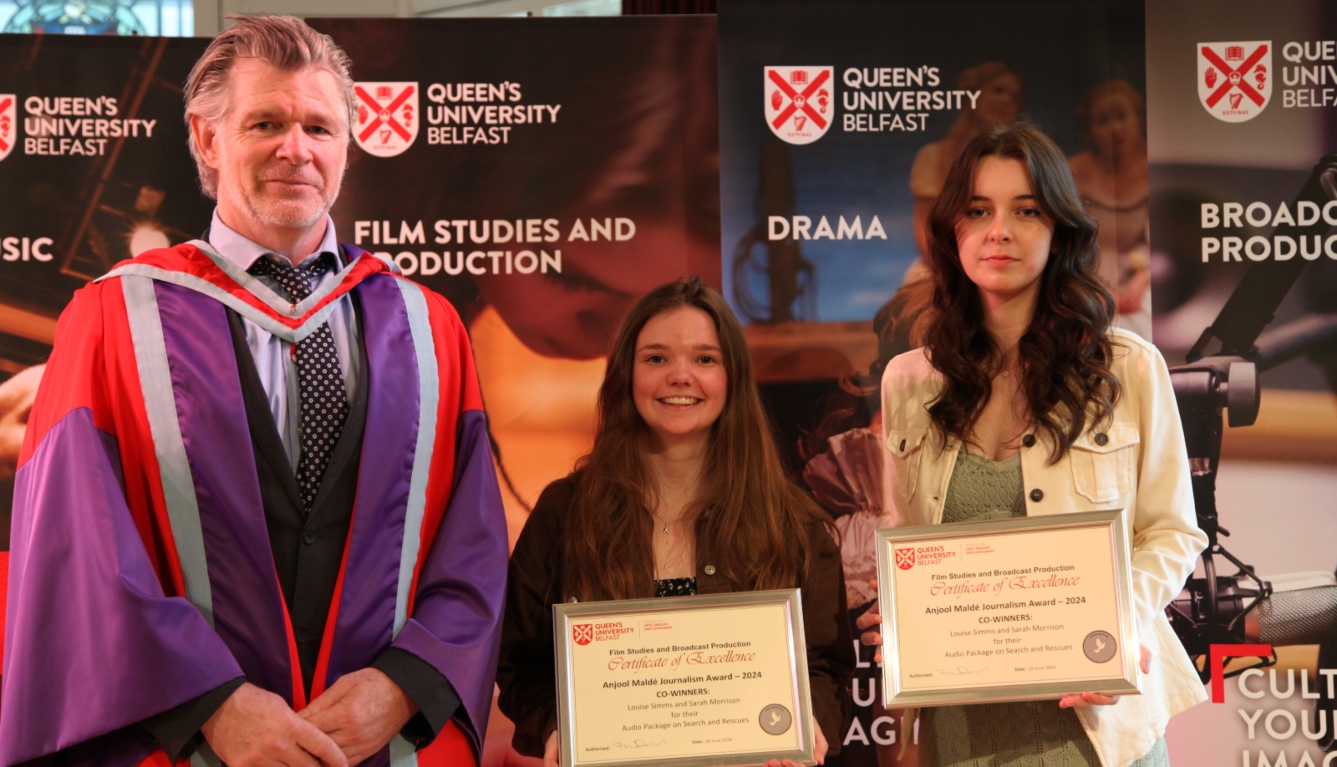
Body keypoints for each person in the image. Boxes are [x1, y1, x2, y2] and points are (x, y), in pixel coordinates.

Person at [0, 16, 507, 767]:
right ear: (207, 140)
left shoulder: (428, 326)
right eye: (264, 121)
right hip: (184, 743)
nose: (294, 148)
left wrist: (404, 684)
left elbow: (473, 542)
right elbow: (78, 545)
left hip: (377, 744)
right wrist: (210, 703)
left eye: (318, 126)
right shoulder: (112, 317)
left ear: (345, 145)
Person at [858, 124, 1208, 766]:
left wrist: (1115, 625)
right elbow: (903, 536)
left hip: (1097, 728)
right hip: (960, 729)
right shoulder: (907, 382)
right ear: (951, 231)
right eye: (978, 211)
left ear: (1059, 230)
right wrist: (903, 618)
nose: (1000, 231)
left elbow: (1172, 533)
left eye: (1027, 210)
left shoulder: (1127, 367)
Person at [496, 277, 855, 767]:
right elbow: (521, 666)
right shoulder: (565, 512)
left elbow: (825, 667)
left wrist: (808, 723)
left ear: (732, 377)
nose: (680, 376)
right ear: (627, 374)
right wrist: (556, 724)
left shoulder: (791, 521)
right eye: (656, 358)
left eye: (705, 359)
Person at [1068, 79, 1153, 338]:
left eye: (1122, 116)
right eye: (1103, 121)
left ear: (1138, 119)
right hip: (1082, 281)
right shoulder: (1071, 172)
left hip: (1145, 282)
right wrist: (1089, 287)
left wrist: (1140, 282)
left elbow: (1169, 241)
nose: (1115, 128)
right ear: (1090, 130)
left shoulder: (1160, 167)